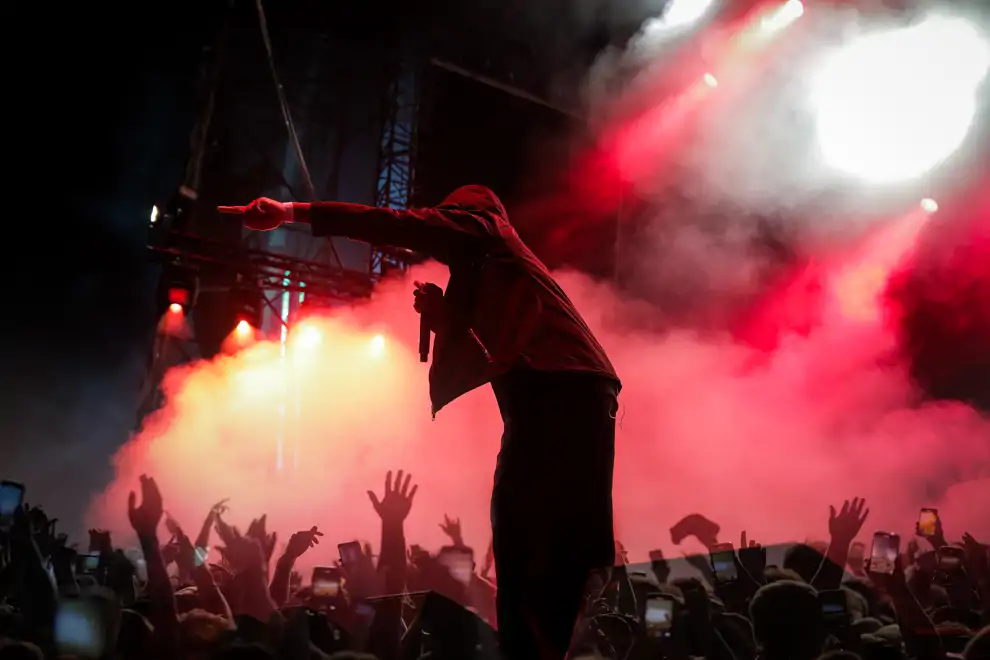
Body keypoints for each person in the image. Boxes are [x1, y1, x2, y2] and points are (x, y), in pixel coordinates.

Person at [227, 186, 621, 659]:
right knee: (559, 544)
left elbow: (394, 223)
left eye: (449, 214)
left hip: (557, 392)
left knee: (519, 524)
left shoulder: (485, 231)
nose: (441, 221)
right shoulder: (498, 275)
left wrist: (292, 212)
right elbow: (491, 359)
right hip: (575, 391)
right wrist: (447, 319)